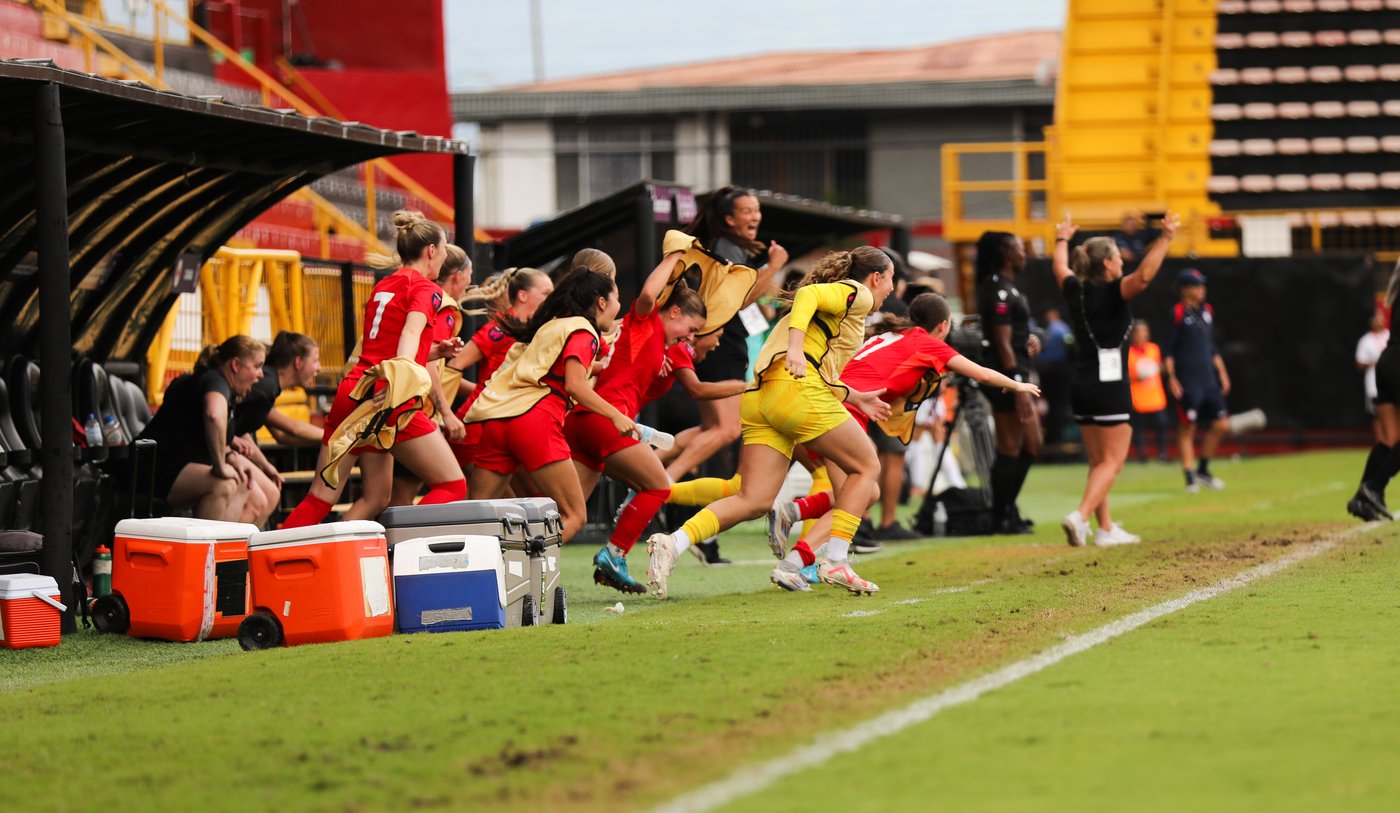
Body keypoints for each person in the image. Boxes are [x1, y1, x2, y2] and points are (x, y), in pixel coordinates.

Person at [644, 246, 895, 599]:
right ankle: (834, 558)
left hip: (763, 398)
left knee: (753, 498)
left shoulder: (838, 309)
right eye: (891, 280)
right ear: (877, 277)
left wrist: (856, 396)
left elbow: (815, 361)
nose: (891, 289)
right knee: (867, 469)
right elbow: (807, 298)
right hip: (795, 393)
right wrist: (794, 349)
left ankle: (673, 543)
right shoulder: (861, 294)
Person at [766, 293, 1040, 589]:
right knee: (862, 487)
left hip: (826, 405)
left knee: (864, 494)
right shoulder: (927, 343)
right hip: (840, 412)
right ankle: (833, 560)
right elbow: (981, 374)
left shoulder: (888, 334)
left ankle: (794, 537)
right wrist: (1016, 384)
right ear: (944, 325)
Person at [280, 211, 466, 527]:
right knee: (453, 485)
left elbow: (388, 343)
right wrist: (402, 377)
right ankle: (400, 554)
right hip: (388, 398)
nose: (445, 256)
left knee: (337, 498)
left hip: (354, 391)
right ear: (431, 251)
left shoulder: (385, 283)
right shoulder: (427, 289)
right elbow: (408, 333)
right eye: (445, 249)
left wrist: (432, 350)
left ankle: (276, 563)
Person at [575, 254, 744, 593]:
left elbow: (691, 386)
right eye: (692, 331)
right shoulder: (647, 322)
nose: (694, 339)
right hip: (607, 420)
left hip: (590, 422)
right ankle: (614, 554)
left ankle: (515, 568)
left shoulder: (672, 347)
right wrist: (675, 255)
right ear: (676, 313)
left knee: (568, 516)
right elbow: (651, 295)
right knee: (659, 486)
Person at [664, 186, 789, 565]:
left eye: (757, 210)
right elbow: (741, 299)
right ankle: (663, 483)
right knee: (726, 429)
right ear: (729, 218)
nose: (755, 217)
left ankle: (650, 464)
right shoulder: (727, 246)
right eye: (746, 211)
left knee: (711, 430)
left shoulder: (726, 245)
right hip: (722, 340)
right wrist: (774, 267)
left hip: (723, 338)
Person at [464, 268, 634, 543]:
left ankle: (467, 578)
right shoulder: (584, 331)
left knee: (475, 514)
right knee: (574, 516)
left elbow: (551, 369)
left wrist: (596, 367)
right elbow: (574, 386)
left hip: (498, 421)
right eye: (616, 299)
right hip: (535, 421)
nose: (618, 307)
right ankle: (532, 575)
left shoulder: (551, 325)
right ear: (601, 302)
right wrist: (616, 416)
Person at [1054, 211, 1181, 547]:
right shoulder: (1112, 291)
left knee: (1099, 463)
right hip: (1109, 387)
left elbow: (1059, 268)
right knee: (1113, 462)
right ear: (1107, 264)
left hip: (1081, 385)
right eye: (1116, 257)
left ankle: (1106, 528)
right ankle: (1080, 517)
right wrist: (1166, 237)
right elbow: (1144, 276)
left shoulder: (1074, 289)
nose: (1121, 261)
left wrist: (1062, 239)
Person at [138, 336, 272, 523]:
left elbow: (210, 435)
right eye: (257, 366)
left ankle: (227, 550)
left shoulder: (225, 388)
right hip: (154, 467)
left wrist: (231, 458)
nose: (261, 375)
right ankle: (205, 549)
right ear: (235, 365)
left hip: (179, 464)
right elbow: (214, 415)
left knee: (241, 481)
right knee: (222, 485)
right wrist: (219, 467)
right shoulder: (215, 381)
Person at [444, 266, 554, 471]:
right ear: (522, 295)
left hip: (504, 424)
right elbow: (452, 369)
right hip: (476, 428)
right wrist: (447, 412)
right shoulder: (501, 328)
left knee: (512, 496)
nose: (550, 299)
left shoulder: (532, 330)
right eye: (546, 293)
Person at [390, 243, 471, 506]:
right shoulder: (442, 305)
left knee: (385, 497)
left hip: (388, 397)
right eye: (469, 276)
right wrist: (446, 413)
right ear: (458, 275)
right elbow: (425, 360)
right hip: (414, 406)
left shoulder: (399, 289)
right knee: (452, 486)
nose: (470, 284)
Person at [975, 231, 1042, 535]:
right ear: (1004, 252)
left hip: (1017, 373)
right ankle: (1000, 517)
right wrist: (1017, 386)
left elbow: (1012, 336)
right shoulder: (997, 290)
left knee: (1032, 443)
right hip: (1006, 377)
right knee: (1012, 445)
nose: (1023, 252)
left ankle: (1006, 509)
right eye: (1018, 247)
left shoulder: (1009, 288)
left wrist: (1029, 339)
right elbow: (1001, 344)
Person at [229, 331, 322, 521]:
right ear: (298, 362)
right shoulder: (266, 383)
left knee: (271, 494)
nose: (319, 368)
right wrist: (337, 435)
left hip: (229, 443)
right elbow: (292, 428)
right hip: (214, 446)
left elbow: (280, 435)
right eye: (316, 360)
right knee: (263, 499)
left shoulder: (270, 385)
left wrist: (327, 441)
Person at [1163, 268, 1231, 493]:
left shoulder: (1207, 311)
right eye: (1197, 285)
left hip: (1208, 379)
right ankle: (1190, 476)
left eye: (1202, 285)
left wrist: (1221, 372)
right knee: (1187, 428)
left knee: (1221, 424)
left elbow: (1211, 345)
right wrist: (1172, 378)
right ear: (1184, 289)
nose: (1202, 289)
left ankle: (1203, 469)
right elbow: (1169, 350)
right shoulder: (1177, 313)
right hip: (1187, 379)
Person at [1349, 260, 1400, 521]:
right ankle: (1374, 487)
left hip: (1387, 360)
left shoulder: (1396, 288)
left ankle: (1362, 499)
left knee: (1390, 439)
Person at [1127, 320, 1170, 463]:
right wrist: (1139, 375)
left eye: (1144, 331)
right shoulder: (1128, 352)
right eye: (1139, 332)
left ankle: (1162, 453)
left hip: (1155, 396)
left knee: (1161, 424)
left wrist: (1160, 368)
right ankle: (1141, 454)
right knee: (1138, 428)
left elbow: (1161, 367)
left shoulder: (1154, 349)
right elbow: (1127, 374)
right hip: (1137, 397)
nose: (1142, 335)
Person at [1036, 307, 1075, 446]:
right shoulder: (1060, 328)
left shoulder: (1035, 326)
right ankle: (1058, 439)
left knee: (1049, 404)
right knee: (1059, 405)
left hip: (1042, 369)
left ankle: (1050, 438)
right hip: (1059, 369)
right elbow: (1070, 342)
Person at [1356, 308, 1390, 442]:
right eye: (1377, 317)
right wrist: (1373, 363)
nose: (1380, 320)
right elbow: (1359, 364)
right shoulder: (1365, 341)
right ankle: (1381, 443)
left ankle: (1392, 441)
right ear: (1371, 321)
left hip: (1391, 381)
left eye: (1382, 317)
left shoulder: (1390, 336)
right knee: (1377, 413)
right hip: (1373, 383)